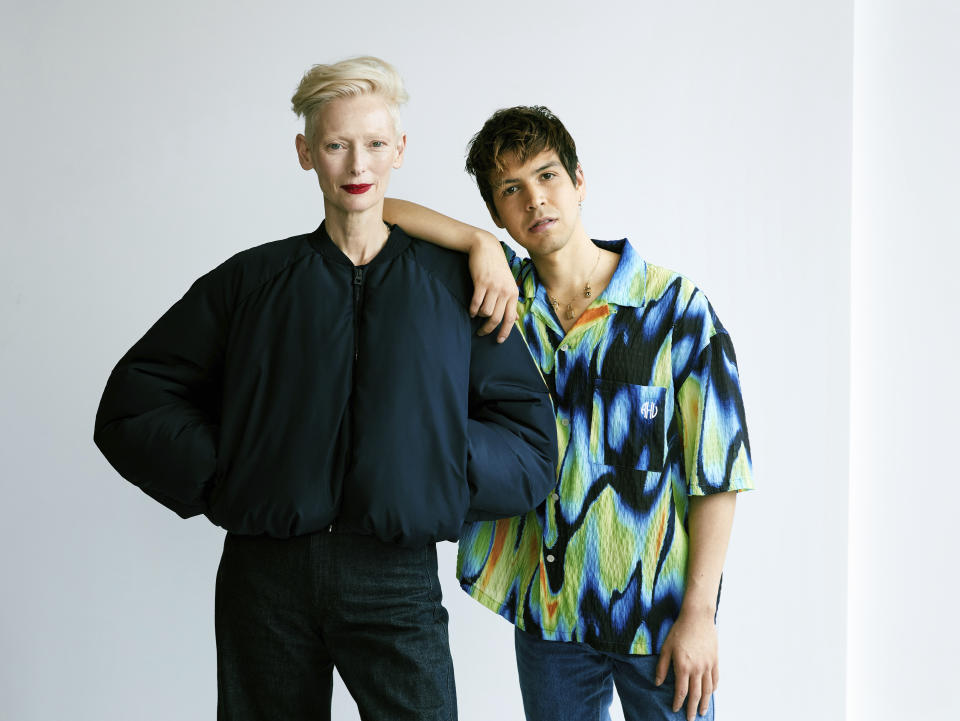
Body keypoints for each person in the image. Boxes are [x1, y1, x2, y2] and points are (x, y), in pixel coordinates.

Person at [93, 60, 558, 721]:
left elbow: (530, 441)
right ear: (306, 153)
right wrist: (230, 470)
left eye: (373, 143)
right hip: (266, 582)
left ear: (400, 150)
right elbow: (135, 399)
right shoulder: (252, 283)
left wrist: (438, 468)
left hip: (396, 578)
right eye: (337, 144)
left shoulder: (457, 287)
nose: (356, 162)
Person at [383, 105, 754, 721]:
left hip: (659, 619)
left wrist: (700, 617)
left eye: (548, 176)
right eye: (511, 189)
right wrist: (478, 244)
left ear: (579, 181)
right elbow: (381, 214)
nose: (535, 200)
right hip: (548, 616)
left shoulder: (673, 308)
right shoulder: (500, 303)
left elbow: (717, 472)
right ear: (496, 212)